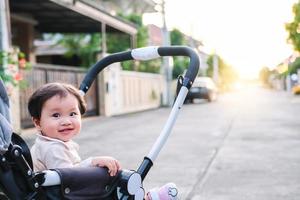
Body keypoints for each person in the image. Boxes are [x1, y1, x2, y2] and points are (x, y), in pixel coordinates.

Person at [29, 82, 178, 200]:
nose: (66, 121)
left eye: (73, 113)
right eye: (56, 115)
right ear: (37, 122)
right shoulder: (52, 148)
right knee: (113, 179)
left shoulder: (46, 144)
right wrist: (92, 162)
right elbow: (70, 178)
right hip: (61, 195)